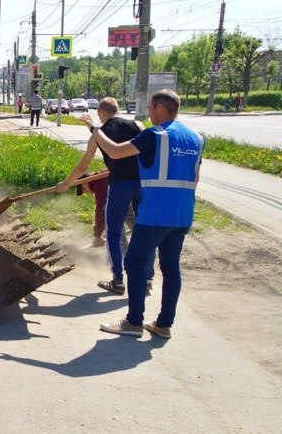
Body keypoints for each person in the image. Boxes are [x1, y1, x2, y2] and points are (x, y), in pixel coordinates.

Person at [82, 89, 205, 340]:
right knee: (171, 268)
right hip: (183, 214)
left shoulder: (155, 135)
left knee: (134, 263)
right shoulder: (196, 138)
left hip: (156, 212)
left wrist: (96, 130)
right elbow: (195, 178)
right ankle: (163, 324)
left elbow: (115, 152)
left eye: (149, 108)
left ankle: (133, 322)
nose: (147, 112)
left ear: (160, 107)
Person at [59, 97, 151, 291]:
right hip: (142, 184)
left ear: (101, 113)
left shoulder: (97, 135)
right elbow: (146, 152)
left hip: (119, 186)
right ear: (117, 110)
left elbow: (83, 165)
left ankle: (118, 280)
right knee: (143, 230)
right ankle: (147, 277)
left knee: (114, 234)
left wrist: (68, 183)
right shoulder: (138, 124)